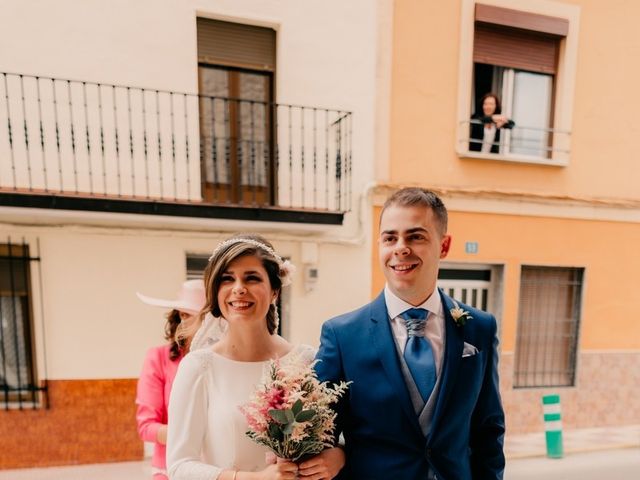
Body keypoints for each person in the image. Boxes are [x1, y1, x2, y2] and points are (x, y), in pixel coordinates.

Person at [315, 188, 505, 479]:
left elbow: (488, 430)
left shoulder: (479, 328)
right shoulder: (342, 336)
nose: (400, 248)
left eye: (416, 236)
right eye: (390, 238)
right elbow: (320, 436)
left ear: (444, 245)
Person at [167, 234, 345, 480]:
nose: (239, 288)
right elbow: (179, 466)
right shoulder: (199, 367)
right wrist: (256, 478)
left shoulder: (307, 360)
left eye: (251, 278)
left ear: (274, 291)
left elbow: (341, 435)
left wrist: (338, 456)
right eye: (227, 279)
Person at [136, 279, 208, 480]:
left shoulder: (225, 359)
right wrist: (193, 436)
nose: (189, 323)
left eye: (199, 316)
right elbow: (146, 427)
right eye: (184, 315)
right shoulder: (158, 358)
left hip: (221, 469)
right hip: (171, 470)